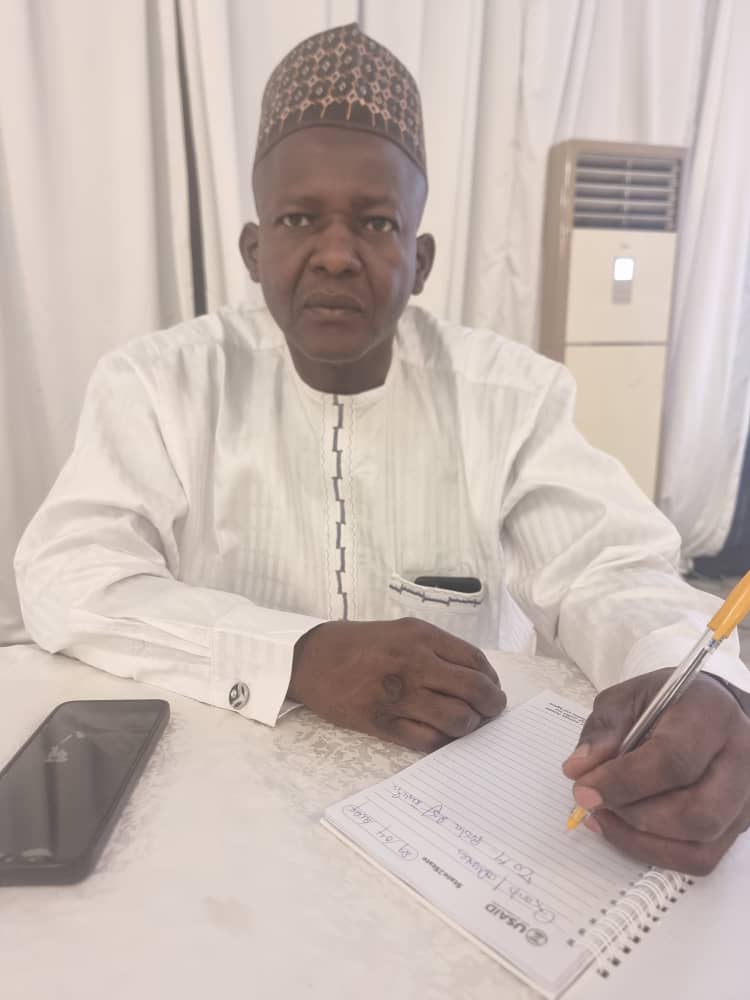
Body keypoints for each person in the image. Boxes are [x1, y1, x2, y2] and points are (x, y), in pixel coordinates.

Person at [15, 23, 749, 875]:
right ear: (254, 249)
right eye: (299, 219)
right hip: (224, 824)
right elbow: (71, 574)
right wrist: (298, 654)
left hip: (463, 833)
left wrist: (690, 679)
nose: (336, 255)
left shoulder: (512, 396)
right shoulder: (158, 383)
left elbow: (609, 572)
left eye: (375, 222)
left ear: (420, 259)